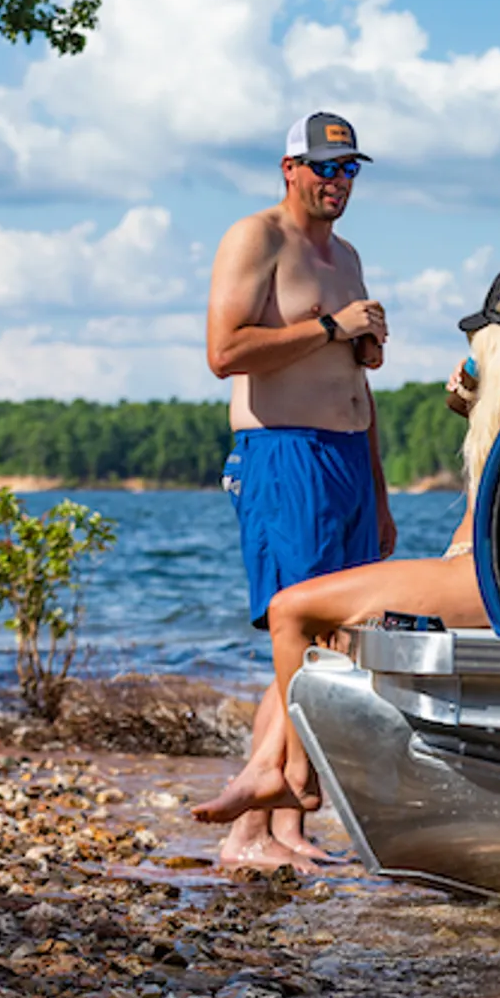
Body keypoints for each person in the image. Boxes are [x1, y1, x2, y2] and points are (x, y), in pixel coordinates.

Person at [259, 273, 500, 781]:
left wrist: (478, 386)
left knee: (290, 610)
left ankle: (297, 776)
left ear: (495, 342)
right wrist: (472, 392)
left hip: (491, 581)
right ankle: (290, 768)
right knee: (339, 620)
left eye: (477, 342)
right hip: (497, 575)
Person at [193, 111, 397, 873]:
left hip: (347, 458)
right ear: (289, 168)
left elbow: (356, 383)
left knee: (335, 642)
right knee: (301, 637)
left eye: (349, 168)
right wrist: (331, 327)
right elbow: (224, 351)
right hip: (284, 456)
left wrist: (379, 494)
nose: (338, 181)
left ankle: (285, 829)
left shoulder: (346, 255)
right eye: (324, 167)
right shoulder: (257, 238)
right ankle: (247, 834)